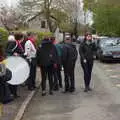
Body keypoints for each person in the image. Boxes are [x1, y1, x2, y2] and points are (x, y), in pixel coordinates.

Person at [6, 33, 24, 98]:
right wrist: (14, 53)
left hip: (15, 63)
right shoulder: (14, 43)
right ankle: (12, 93)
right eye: (23, 38)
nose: (23, 39)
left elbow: (20, 52)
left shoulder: (17, 43)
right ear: (21, 38)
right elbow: (7, 51)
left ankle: (14, 93)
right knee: (12, 78)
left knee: (15, 78)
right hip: (12, 63)